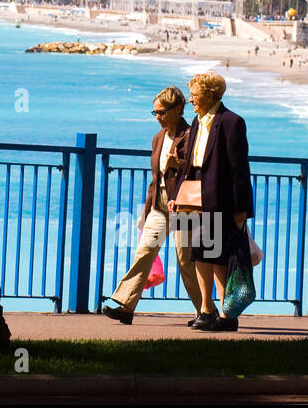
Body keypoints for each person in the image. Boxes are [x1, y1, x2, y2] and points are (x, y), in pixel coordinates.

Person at [101, 87, 204, 326]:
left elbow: (198, 171)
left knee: (185, 261)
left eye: (161, 112)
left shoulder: (191, 135)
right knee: (144, 252)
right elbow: (156, 178)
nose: (157, 117)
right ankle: (126, 305)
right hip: (159, 207)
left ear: (178, 110)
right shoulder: (158, 138)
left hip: (183, 209)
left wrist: (176, 163)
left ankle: (204, 311)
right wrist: (146, 209)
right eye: (154, 112)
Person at [169, 72, 254, 332]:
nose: (191, 98)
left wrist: (242, 209)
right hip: (192, 196)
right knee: (197, 254)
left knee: (216, 257)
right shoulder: (197, 121)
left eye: (195, 93)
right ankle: (206, 310)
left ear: (211, 93)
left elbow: (240, 168)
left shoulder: (231, 122)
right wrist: (176, 195)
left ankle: (227, 315)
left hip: (218, 198)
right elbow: (190, 164)